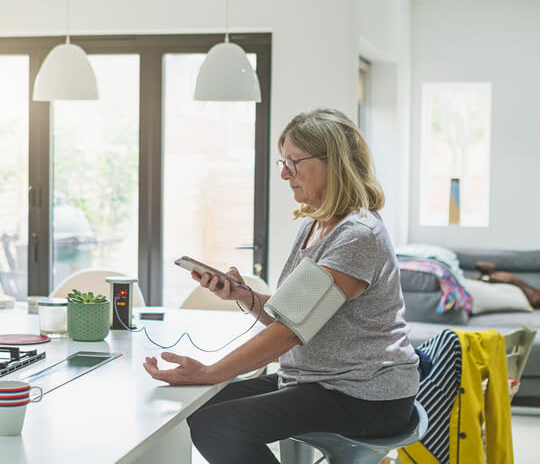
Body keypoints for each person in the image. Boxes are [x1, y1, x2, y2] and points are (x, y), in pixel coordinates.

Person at [142, 108, 419, 463]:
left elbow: (289, 332)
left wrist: (211, 371)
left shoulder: (358, 235)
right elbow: (293, 315)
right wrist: (244, 296)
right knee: (199, 408)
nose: (285, 174)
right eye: (282, 162)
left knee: (216, 425)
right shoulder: (316, 226)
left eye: (294, 162)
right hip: (319, 381)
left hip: (365, 394)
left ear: (332, 162)